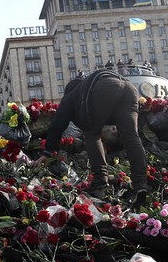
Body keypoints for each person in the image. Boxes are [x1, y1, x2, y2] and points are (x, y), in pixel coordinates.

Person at [33, 69, 149, 204]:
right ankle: (140, 184)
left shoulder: (71, 96)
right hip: (130, 88)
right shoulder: (84, 88)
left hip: (106, 87)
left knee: (92, 134)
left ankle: (100, 180)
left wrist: (47, 152)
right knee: (131, 137)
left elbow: (58, 123)